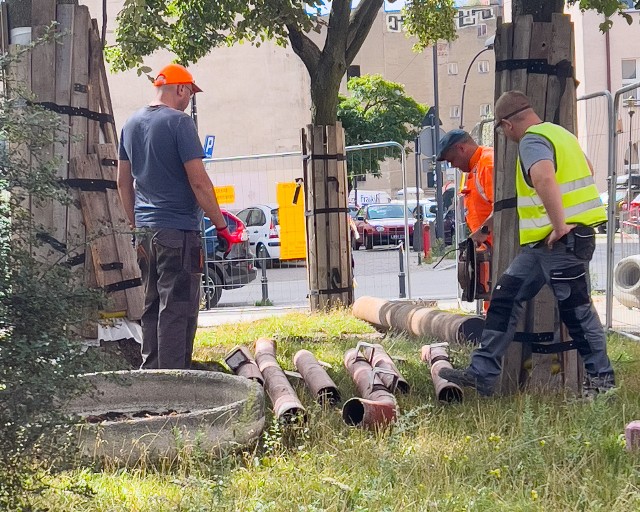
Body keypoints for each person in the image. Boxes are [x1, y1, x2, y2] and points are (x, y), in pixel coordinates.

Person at [438, 90, 615, 398]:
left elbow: (544, 178)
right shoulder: (561, 135)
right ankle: (482, 372)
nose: (505, 138)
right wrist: (487, 228)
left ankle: (602, 382)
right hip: (543, 245)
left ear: (507, 125)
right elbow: (588, 169)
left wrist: (560, 226)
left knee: (577, 312)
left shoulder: (532, 141)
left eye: (503, 131)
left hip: (561, 241)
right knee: (505, 296)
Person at [117, 63, 232, 370]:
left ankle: (153, 374)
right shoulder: (180, 124)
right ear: (180, 88)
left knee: (152, 304)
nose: (189, 100)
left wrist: (134, 225)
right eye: (190, 93)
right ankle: (175, 385)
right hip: (178, 232)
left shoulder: (130, 123)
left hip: (145, 232)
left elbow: (122, 182)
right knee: (177, 307)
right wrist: (222, 226)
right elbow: (199, 182)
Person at [437, 129, 494, 245]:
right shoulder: (475, 167)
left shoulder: (487, 165)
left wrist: (481, 233)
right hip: (490, 248)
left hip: (500, 250)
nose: (453, 165)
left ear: (461, 148)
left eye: (452, 160)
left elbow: (502, 208)